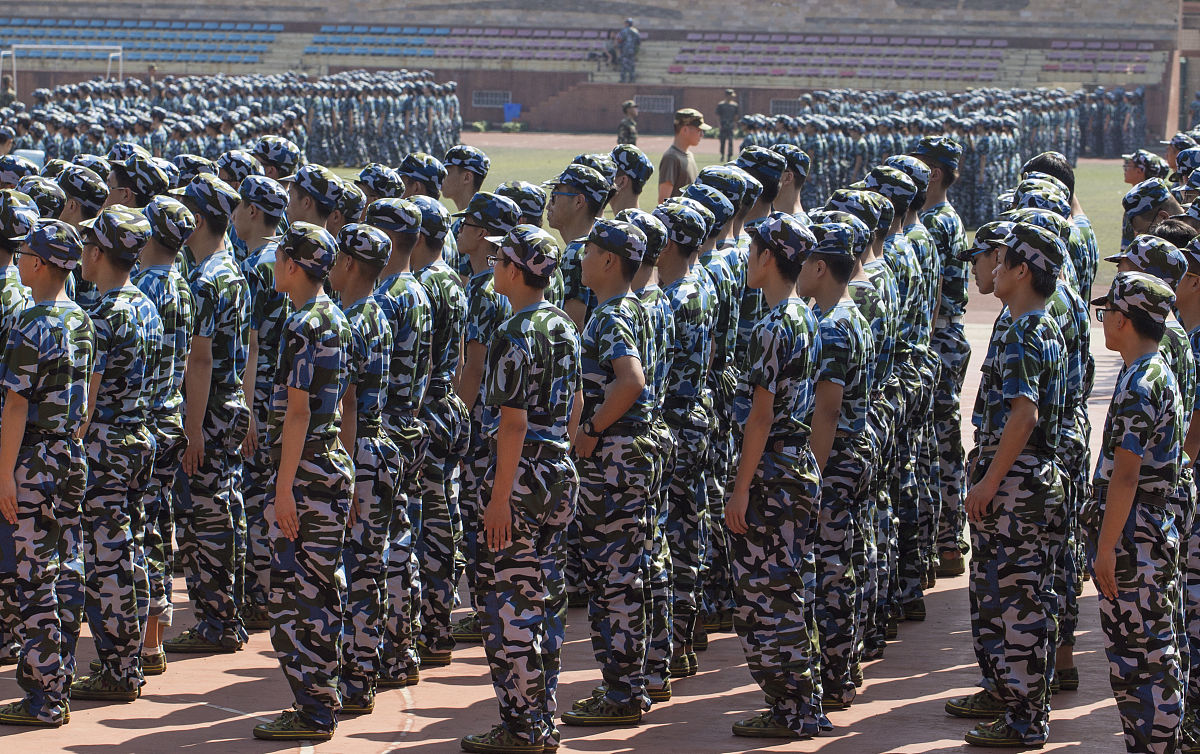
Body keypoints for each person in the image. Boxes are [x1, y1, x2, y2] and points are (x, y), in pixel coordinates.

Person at [461, 225, 582, 754]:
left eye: (500, 260)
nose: (493, 267)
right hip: (556, 470)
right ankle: (540, 717)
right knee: (545, 598)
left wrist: (498, 496)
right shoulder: (562, 325)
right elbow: (575, 403)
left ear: (515, 270)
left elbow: (511, 424)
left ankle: (523, 726)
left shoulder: (514, 333)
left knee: (509, 604)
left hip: (522, 475)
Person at [954, 222, 1067, 749]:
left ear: (1023, 271)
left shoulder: (1026, 329)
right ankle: (1015, 704)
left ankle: (1025, 718)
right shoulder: (1036, 324)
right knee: (1013, 598)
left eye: (1002, 262)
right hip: (1024, 481)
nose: (992, 269)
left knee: (1018, 604)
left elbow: (1024, 416)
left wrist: (989, 483)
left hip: (1018, 485)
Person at [252, 223, 354, 742]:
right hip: (329, 467)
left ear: (293, 265)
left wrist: (284, 487)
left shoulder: (302, 325)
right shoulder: (334, 316)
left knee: (297, 596)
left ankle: (314, 708)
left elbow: (297, 414)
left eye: (279, 258)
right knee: (318, 589)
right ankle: (320, 699)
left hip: (307, 473)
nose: (274, 266)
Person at [725, 212, 822, 740]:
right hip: (794, 464)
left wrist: (740, 488)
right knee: (784, 587)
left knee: (768, 594)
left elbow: (760, 416)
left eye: (753, 249)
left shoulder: (772, 324)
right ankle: (798, 702)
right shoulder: (804, 315)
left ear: (768, 258)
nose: (747, 258)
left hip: (772, 471)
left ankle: (792, 707)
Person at [1086, 272, 1185, 754]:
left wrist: (1105, 549)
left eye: (1106, 313)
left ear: (1123, 320)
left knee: (1143, 656)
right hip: (1145, 527)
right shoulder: (1151, 370)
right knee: (1139, 653)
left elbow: (1126, 476)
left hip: (1134, 534)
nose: (1102, 320)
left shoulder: (1141, 383)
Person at [0, 221, 94, 728]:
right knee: (63, 571)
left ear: (37, 263)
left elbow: (16, 404)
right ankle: (57, 683)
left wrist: (4, 475)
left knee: (33, 580)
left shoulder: (29, 322)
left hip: (33, 458)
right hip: (69, 456)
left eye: (24, 254)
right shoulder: (81, 319)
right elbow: (85, 400)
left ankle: (45, 697)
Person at [560, 218, 653, 727]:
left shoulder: (610, 317)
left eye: (590, 249)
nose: (582, 256)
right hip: (631, 455)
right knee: (625, 573)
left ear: (610, 261)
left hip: (614, 459)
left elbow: (631, 381)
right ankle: (632, 683)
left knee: (611, 578)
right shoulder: (632, 307)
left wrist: (591, 429)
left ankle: (622, 692)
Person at [70, 206, 163, 703]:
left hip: (106, 443)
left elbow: (86, 399)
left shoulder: (104, 313)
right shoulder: (144, 304)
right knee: (129, 548)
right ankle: (134, 656)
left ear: (99, 252)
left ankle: (118, 667)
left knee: (106, 558)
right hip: (137, 438)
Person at [165, 174, 251, 656]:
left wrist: (192, 429)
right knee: (223, 507)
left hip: (211, 408)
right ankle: (226, 616)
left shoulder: (204, 279)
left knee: (206, 516)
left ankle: (217, 620)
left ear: (197, 219)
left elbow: (199, 360)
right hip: (229, 402)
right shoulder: (229, 269)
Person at [131, 196, 195, 675]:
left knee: (139, 530)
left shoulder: (143, 289)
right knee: (156, 526)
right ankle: (152, 639)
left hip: (147, 420)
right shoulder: (182, 285)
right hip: (172, 416)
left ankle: (142, 640)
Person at [658, 109, 705, 203]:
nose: (702, 134)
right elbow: (663, 201)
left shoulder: (689, 155)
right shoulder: (671, 158)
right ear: (685, 130)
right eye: (699, 130)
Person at [716, 90, 740, 162]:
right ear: (727, 95)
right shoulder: (721, 105)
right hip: (723, 125)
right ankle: (722, 155)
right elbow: (718, 116)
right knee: (722, 141)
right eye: (731, 96)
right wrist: (719, 124)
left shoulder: (734, 105)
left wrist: (735, 125)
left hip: (730, 125)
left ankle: (729, 156)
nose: (732, 97)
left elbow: (736, 116)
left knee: (730, 142)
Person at [616, 18, 641, 83]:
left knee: (624, 64)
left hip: (625, 50)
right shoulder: (636, 31)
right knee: (631, 65)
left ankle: (623, 79)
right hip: (632, 51)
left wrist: (619, 48)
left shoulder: (623, 31)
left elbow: (619, 40)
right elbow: (638, 42)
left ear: (627, 24)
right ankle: (631, 78)